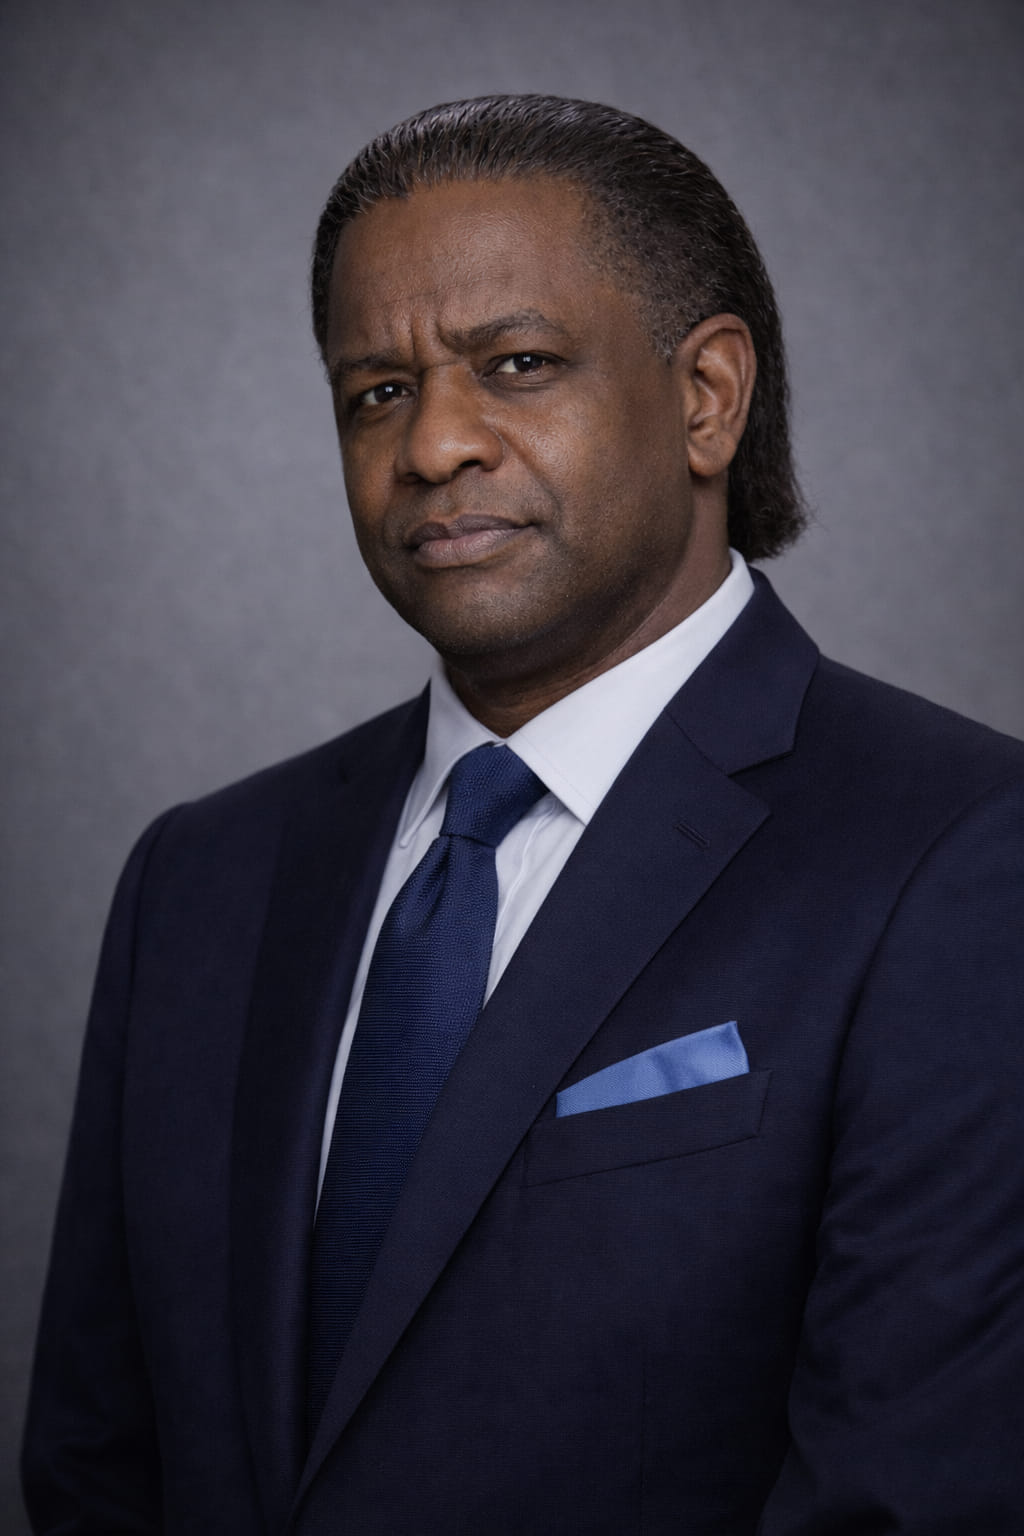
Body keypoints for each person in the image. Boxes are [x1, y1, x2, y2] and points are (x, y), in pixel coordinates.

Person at [22, 95, 1024, 1535]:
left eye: (517, 364)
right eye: (377, 391)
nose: (433, 445)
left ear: (706, 397)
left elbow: (917, 1494)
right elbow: (93, 1470)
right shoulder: (202, 878)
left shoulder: (963, 854)